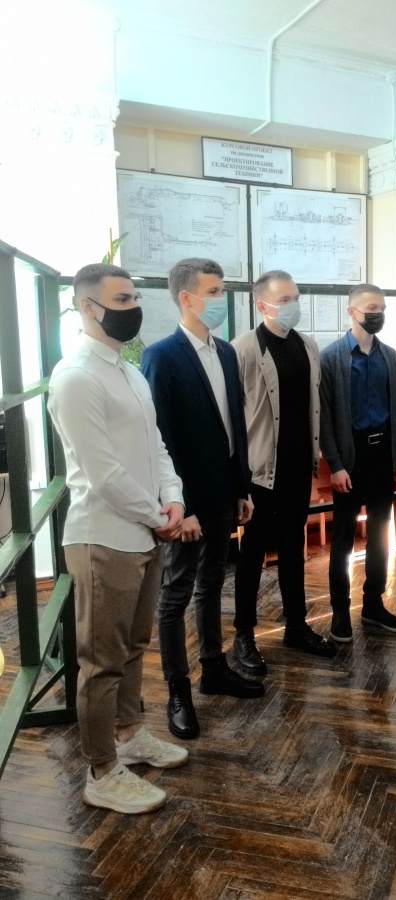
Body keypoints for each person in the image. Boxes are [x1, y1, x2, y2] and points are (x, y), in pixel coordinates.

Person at [48, 263, 187, 815]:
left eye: (134, 297)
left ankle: (129, 735)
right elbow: (102, 473)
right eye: (121, 299)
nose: (133, 307)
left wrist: (173, 498)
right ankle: (101, 770)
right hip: (103, 536)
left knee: (133, 646)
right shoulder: (76, 376)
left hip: (146, 529)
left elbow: (156, 446)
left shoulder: (128, 371)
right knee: (101, 661)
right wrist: (158, 516)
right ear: (88, 306)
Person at [140, 258, 264, 743]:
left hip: (224, 494)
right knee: (176, 593)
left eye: (221, 290)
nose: (221, 299)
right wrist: (181, 506)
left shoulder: (226, 352)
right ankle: (178, 690)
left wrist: (242, 488)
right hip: (186, 502)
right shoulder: (162, 356)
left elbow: (235, 424)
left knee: (213, 582)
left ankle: (213, 668)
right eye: (213, 291)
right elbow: (159, 438)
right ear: (186, 298)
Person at [231, 271, 337, 659]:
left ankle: (296, 626)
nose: (294, 305)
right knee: (253, 552)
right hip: (260, 470)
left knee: (294, 548)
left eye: (295, 297)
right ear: (262, 305)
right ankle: (244, 635)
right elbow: (232, 416)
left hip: (297, 466)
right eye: (284, 299)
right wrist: (237, 479)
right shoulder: (242, 349)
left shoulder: (307, 345)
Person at [319, 284, 396, 642]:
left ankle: (373, 605)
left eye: (382, 308)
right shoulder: (330, 358)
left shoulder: (389, 355)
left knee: (379, 535)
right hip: (350, 458)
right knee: (343, 539)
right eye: (372, 308)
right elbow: (324, 418)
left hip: (382, 455)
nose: (378, 314)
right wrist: (336, 465)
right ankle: (339, 612)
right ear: (352, 311)